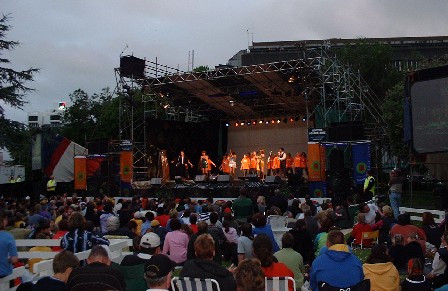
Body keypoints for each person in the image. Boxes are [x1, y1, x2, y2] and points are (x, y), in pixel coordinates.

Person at [0, 211, 18, 278]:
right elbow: (14, 259)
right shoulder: (8, 236)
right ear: (3, 221)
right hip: (4, 272)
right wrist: (7, 259)